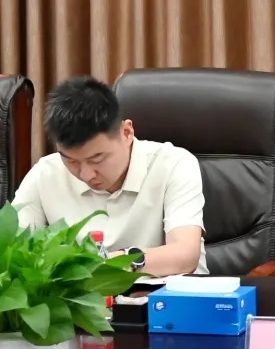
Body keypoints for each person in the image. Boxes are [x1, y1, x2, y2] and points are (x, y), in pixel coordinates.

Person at [12, 75, 207, 276]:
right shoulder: (45, 173)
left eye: (97, 159)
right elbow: (11, 251)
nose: (86, 174)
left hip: (170, 294)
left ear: (127, 133)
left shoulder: (173, 164)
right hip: (88, 296)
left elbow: (185, 255)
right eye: (71, 161)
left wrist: (106, 264)